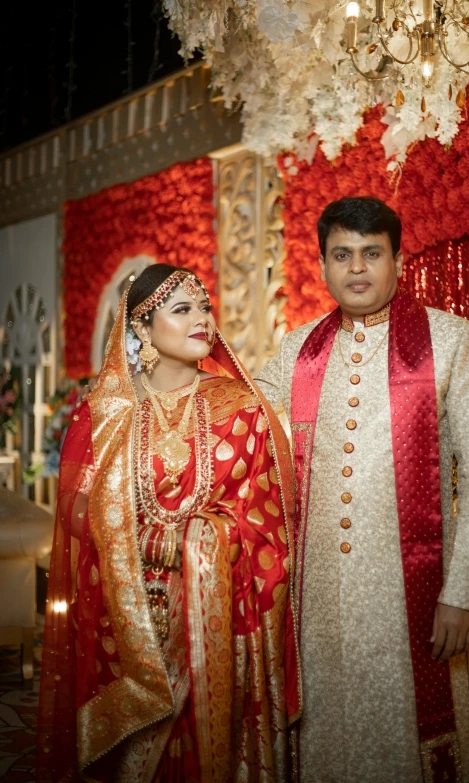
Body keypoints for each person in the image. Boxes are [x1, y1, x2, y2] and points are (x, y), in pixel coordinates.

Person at [255, 197, 469, 783]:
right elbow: (241, 419)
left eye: (371, 253)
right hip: (316, 604)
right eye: (342, 255)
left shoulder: (452, 340)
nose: (357, 269)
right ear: (322, 266)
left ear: (398, 259)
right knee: (327, 749)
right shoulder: (297, 349)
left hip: (411, 595)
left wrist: (463, 592)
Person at [36, 264, 301, 783]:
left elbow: (269, 519)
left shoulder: (243, 408)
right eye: (182, 310)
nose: (202, 319)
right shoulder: (107, 411)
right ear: (141, 327)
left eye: (203, 307)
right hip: (126, 611)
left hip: (217, 614)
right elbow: (73, 505)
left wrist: (202, 539)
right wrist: (134, 537)